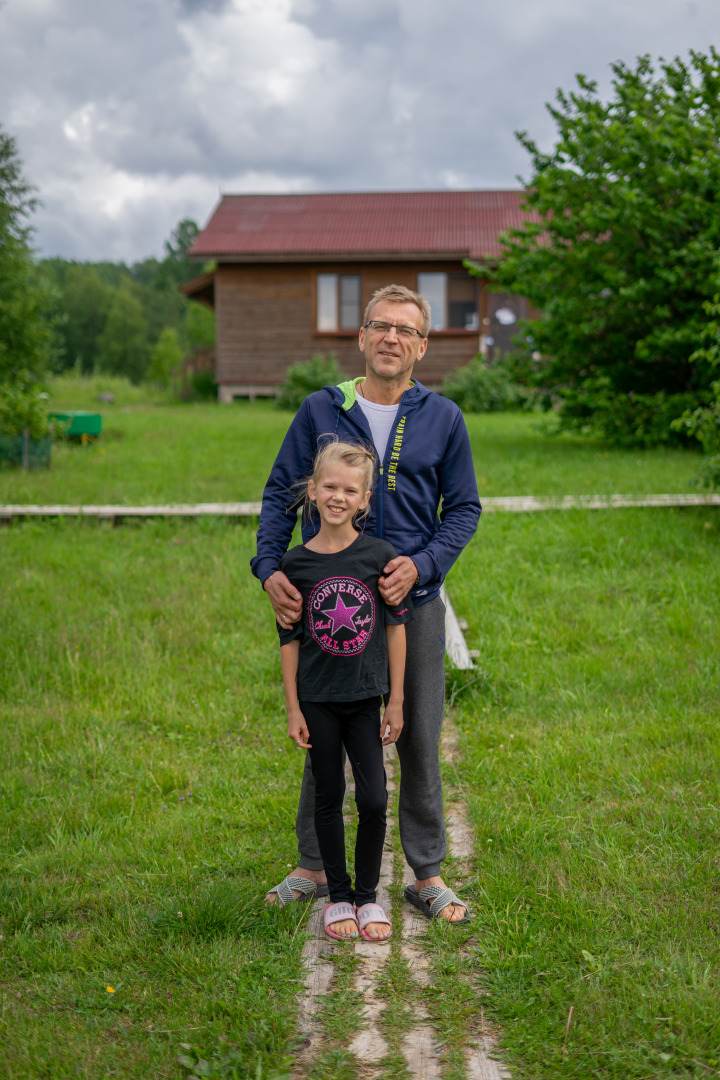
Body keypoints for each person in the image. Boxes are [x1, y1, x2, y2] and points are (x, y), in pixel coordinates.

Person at [254, 283, 481, 923]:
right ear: (362, 337)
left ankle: (427, 873)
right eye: (381, 326)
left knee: (416, 732)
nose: (391, 338)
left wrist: (424, 564)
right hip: (329, 600)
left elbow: (463, 509)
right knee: (325, 724)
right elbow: (279, 495)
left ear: (422, 346)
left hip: (413, 599)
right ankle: (313, 866)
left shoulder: (443, 417)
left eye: (406, 330)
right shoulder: (320, 410)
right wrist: (269, 568)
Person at [277, 440, 411, 942]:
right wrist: (293, 708)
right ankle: (338, 897)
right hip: (317, 697)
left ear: (365, 500)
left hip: (365, 698)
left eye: (349, 490)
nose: (338, 496)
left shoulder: (378, 556)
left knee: (374, 799)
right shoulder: (295, 565)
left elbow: (396, 628)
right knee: (329, 794)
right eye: (329, 486)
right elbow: (289, 641)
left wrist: (395, 699)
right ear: (312, 491)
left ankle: (368, 896)